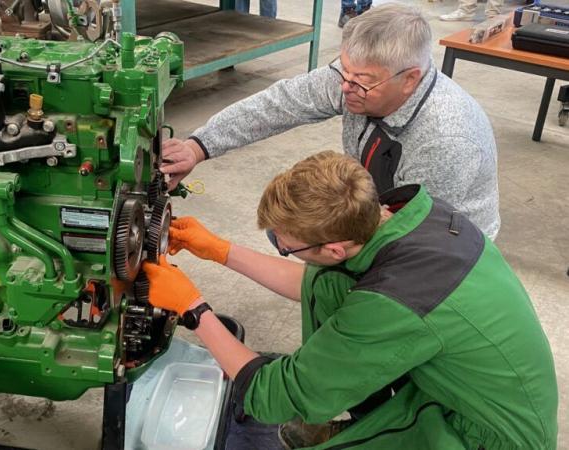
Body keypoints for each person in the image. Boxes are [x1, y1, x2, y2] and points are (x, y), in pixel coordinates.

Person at [142, 151, 558, 450]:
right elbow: (314, 281)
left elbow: (272, 396)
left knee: (285, 392)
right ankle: (348, 412)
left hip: (484, 434)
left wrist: (194, 309)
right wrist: (218, 249)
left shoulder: (394, 299)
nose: (279, 247)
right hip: (460, 384)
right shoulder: (409, 219)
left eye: (283, 245)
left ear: (336, 247)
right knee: (328, 286)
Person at [161, 4, 501, 240]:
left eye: (361, 80)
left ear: (410, 79)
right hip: (384, 204)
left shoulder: (447, 139)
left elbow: (410, 235)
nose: (344, 87)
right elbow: (279, 105)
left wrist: (313, 237)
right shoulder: (357, 78)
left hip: (444, 244)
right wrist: (198, 146)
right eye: (344, 70)